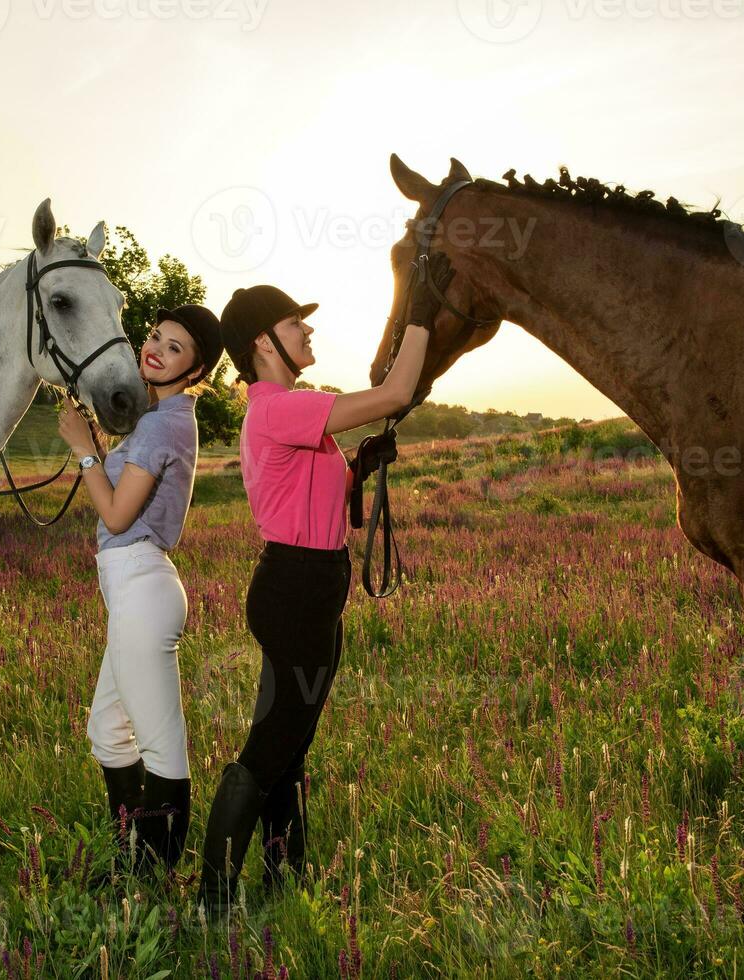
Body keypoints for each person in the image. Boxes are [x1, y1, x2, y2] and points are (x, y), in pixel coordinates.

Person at [199, 258, 454, 911]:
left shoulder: (284, 414)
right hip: (296, 593)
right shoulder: (282, 409)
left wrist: (362, 464)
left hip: (307, 589)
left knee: (290, 746)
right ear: (264, 342)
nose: (308, 333)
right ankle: (212, 903)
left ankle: (284, 882)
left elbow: (326, 502)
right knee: (270, 749)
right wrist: (420, 309)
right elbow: (395, 394)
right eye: (296, 324)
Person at [56, 304, 222, 872]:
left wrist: (83, 449)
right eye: (154, 336)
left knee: (161, 746)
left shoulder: (161, 424)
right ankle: (132, 859)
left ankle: (155, 879)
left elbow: (117, 514)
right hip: (133, 588)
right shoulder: (163, 419)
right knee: (107, 728)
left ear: (195, 370)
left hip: (141, 585)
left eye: (175, 347)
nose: (156, 348)